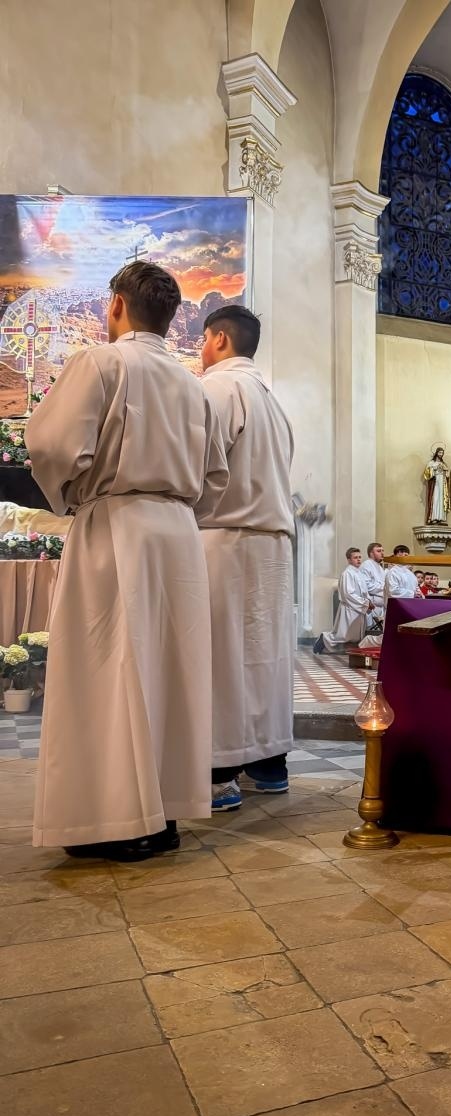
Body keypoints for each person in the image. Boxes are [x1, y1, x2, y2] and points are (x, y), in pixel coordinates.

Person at [25, 261, 228, 861]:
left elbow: (50, 444)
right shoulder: (193, 384)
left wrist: (71, 494)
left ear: (115, 304)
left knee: (108, 671)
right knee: (169, 673)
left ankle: (116, 820)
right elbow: (216, 475)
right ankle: (163, 813)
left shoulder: (101, 362)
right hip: (179, 534)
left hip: (117, 524)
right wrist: (181, 506)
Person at [198, 304, 295, 813]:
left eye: (202, 340)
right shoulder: (271, 400)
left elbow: (199, 466)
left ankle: (218, 775)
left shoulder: (218, 388)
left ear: (219, 339)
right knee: (266, 658)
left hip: (225, 539)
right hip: (272, 544)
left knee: (221, 657)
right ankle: (268, 764)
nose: (200, 351)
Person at [313, 548, 370, 654]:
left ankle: (348, 650)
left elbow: (364, 591)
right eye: (355, 558)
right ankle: (324, 638)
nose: (358, 560)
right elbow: (348, 594)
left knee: (354, 635)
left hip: (358, 608)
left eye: (359, 557)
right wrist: (365, 603)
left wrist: (368, 601)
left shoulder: (359, 573)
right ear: (349, 560)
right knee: (343, 635)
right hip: (350, 608)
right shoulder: (347, 573)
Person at [360, 541, 386, 625]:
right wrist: (384, 588)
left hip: (380, 606)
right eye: (378, 551)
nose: (382, 553)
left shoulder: (379, 567)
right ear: (371, 553)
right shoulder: (366, 565)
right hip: (372, 606)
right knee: (371, 629)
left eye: (382, 550)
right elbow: (367, 586)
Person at [423, 448, 451, 525]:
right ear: (436, 453)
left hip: (442, 483)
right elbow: (426, 474)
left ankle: (441, 518)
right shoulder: (431, 463)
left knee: (442, 500)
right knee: (435, 499)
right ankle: (434, 518)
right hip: (435, 483)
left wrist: (446, 470)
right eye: (439, 452)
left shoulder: (443, 463)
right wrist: (434, 468)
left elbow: (448, 474)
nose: (441, 454)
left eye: (442, 453)